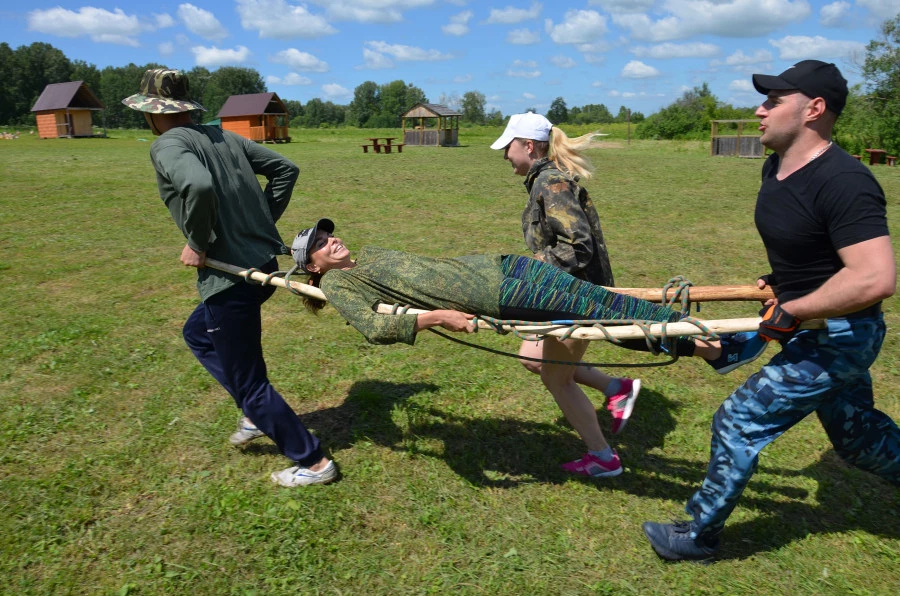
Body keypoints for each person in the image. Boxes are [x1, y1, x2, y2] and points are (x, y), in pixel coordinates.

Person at [642, 60, 900, 562]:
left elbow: (874, 278)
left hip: (839, 333)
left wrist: (796, 307)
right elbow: (814, 249)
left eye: (773, 101)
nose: (759, 110)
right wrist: (782, 281)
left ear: (814, 109)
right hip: (810, 319)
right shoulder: (777, 166)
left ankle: (699, 535)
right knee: (858, 437)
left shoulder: (846, 181)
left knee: (739, 421)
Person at [290, 218, 760, 478]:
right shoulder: (340, 282)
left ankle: (700, 348)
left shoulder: (367, 254)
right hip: (497, 297)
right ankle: (713, 347)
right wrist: (437, 317)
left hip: (503, 267)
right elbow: (373, 327)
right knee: (608, 314)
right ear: (313, 269)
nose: (331, 240)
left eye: (328, 234)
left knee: (600, 308)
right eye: (319, 244)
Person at [490, 112, 767, 476]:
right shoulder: (543, 181)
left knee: (558, 374)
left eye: (508, 147)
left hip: (578, 295)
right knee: (539, 358)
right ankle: (631, 386)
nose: (505, 155)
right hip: (571, 292)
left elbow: (577, 247)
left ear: (528, 145)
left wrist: (528, 271)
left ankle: (604, 455)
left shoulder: (551, 184)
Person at [123, 68, 336, 488]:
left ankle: (312, 461)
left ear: (151, 112)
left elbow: (198, 186)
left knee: (248, 380)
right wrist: (258, 223)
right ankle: (257, 415)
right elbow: (286, 169)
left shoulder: (167, 144)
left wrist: (200, 241)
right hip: (261, 266)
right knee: (198, 333)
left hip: (231, 278)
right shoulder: (222, 136)